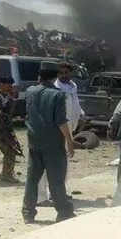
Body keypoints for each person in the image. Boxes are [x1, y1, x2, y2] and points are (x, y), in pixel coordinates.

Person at [22, 67, 76, 224]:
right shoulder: (58, 94)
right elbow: (60, 120)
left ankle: (28, 213)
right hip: (53, 143)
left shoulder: (30, 91)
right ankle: (64, 212)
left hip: (34, 140)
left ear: (40, 77)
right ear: (55, 78)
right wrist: (70, 140)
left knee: (32, 179)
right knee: (56, 179)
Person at [37, 62, 84, 206]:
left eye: (66, 72)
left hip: (68, 129)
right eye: (61, 73)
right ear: (56, 74)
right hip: (54, 130)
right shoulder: (54, 89)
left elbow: (75, 106)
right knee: (47, 163)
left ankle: (58, 192)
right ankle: (41, 196)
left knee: (64, 162)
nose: (64, 75)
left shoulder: (72, 88)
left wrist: (81, 115)